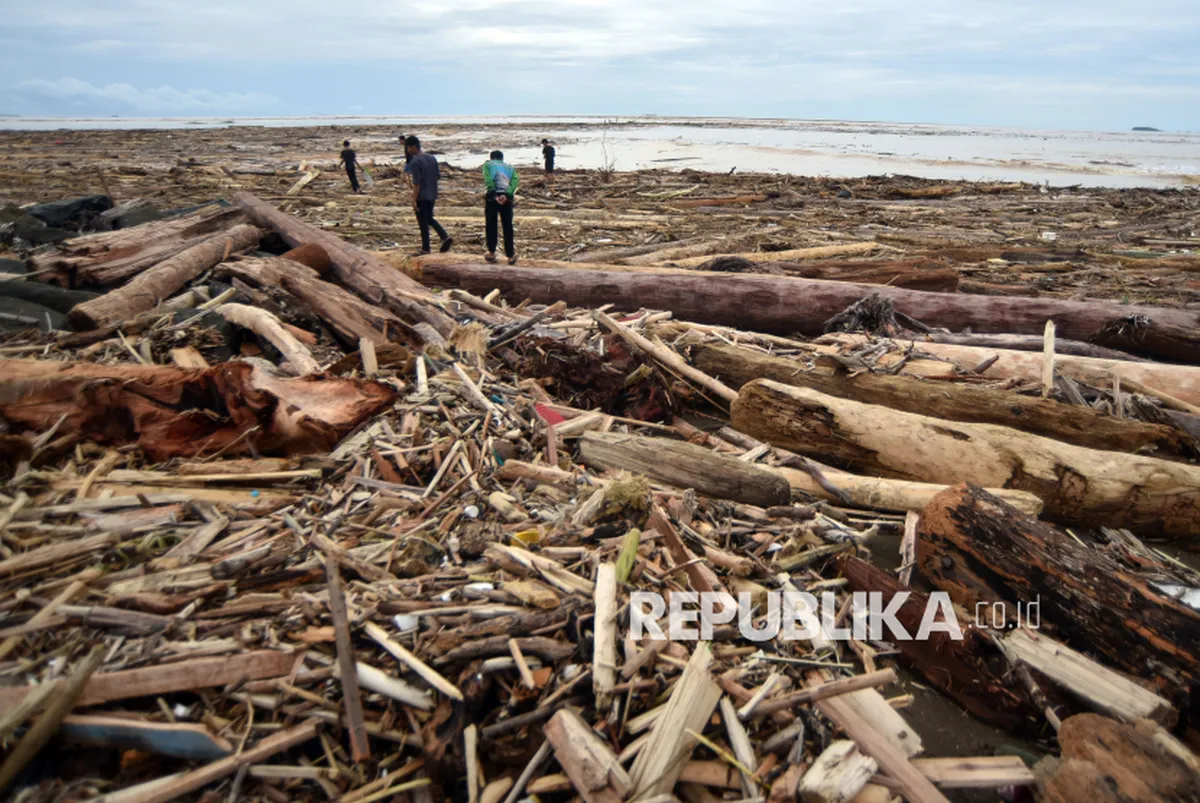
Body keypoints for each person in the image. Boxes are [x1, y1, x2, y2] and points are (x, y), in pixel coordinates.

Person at [404, 135, 452, 254]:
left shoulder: (415, 162)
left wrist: (414, 199)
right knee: (429, 218)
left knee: (423, 221)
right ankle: (444, 237)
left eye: (408, 148)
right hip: (432, 193)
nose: (408, 151)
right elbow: (437, 176)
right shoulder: (431, 158)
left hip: (422, 195)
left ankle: (426, 248)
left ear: (413, 146)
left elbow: (417, 183)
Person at [482, 150, 519, 264]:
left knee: (491, 225)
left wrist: (494, 194)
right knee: (508, 226)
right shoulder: (510, 168)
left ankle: (492, 253)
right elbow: (515, 181)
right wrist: (507, 194)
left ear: (491, 157)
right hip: (507, 199)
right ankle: (510, 255)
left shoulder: (488, 165)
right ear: (502, 158)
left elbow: (488, 179)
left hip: (493, 199)